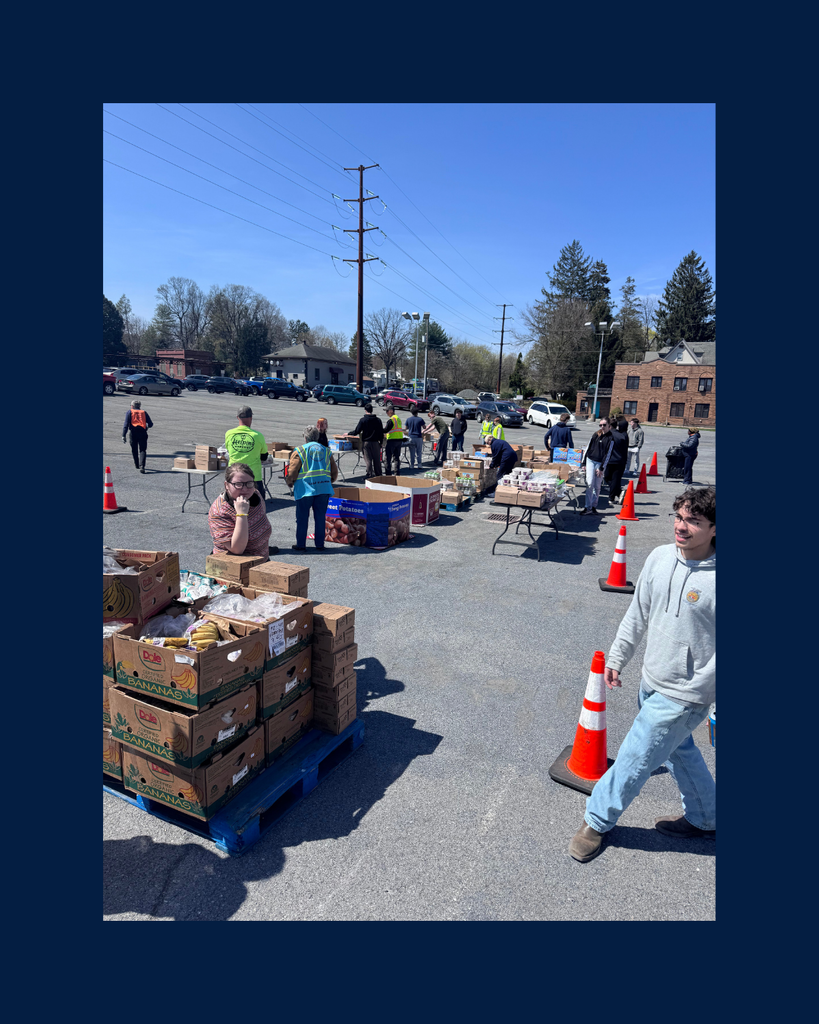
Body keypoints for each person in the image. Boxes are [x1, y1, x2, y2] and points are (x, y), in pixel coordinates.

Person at [568, 486, 716, 863]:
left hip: (686, 693)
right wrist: (618, 657)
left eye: (693, 522)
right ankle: (706, 817)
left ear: (715, 529)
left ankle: (596, 822)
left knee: (635, 756)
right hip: (651, 680)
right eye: (679, 517)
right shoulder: (660, 557)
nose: (681, 527)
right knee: (679, 752)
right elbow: (638, 613)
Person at [286, 425, 339, 551]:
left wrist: (290, 482)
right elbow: (334, 472)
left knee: (302, 518)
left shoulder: (300, 451)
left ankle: (301, 545)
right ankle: (320, 544)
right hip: (323, 489)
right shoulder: (326, 451)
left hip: (305, 490)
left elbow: (293, 471)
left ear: (305, 438)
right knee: (320, 518)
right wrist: (328, 481)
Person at [208, 462, 277, 556]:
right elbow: (237, 550)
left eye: (249, 483)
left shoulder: (255, 494)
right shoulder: (219, 512)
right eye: (238, 484)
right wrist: (241, 514)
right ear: (226, 485)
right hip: (233, 566)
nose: (244, 489)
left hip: (260, 560)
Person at [224, 406, 269, 498]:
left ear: (237, 417)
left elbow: (229, 451)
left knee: (233, 508)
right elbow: (264, 456)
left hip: (234, 477)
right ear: (251, 418)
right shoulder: (257, 435)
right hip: (253, 477)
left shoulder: (229, 433)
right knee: (257, 509)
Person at [579, 419, 613, 515]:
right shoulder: (596, 434)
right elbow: (588, 448)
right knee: (589, 483)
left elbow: (608, 454)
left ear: (609, 426)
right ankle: (587, 507)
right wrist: (584, 463)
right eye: (600, 425)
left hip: (600, 463)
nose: (602, 427)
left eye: (604, 425)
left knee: (597, 486)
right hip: (590, 460)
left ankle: (594, 505)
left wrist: (602, 468)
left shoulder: (611, 438)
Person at [346, 403, 384, 479]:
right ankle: (379, 475)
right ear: (372, 410)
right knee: (377, 459)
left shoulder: (363, 420)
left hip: (366, 442)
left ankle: (369, 474)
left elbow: (357, 431)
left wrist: (348, 433)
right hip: (376, 442)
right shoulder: (378, 420)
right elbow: (381, 432)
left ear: (365, 410)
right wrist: (381, 442)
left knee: (368, 459)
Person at [601, 417, 629, 505]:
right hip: (620, 461)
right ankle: (618, 492)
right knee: (615, 479)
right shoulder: (622, 436)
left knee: (608, 478)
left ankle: (613, 496)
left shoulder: (607, 435)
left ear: (609, 426)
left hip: (610, 460)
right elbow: (625, 450)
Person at [122, 400, 153, 473]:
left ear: (132, 406)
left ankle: (137, 464)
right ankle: (142, 466)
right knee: (142, 449)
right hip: (143, 432)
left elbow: (126, 425)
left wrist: (123, 435)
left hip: (133, 432)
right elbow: (151, 424)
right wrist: (146, 426)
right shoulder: (144, 412)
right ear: (139, 406)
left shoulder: (129, 412)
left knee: (134, 449)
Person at [383, 403, 405, 475]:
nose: (386, 413)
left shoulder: (391, 420)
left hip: (392, 440)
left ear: (391, 411)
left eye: (387, 411)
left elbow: (386, 430)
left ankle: (388, 474)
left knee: (387, 458)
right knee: (396, 458)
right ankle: (396, 473)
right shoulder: (398, 419)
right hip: (399, 440)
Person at [405, 404, 426, 469]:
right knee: (419, 451)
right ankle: (419, 464)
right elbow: (424, 427)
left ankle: (412, 465)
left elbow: (406, 428)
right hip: (418, 437)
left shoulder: (408, 419)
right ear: (417, 412)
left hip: (411, 437)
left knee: (412, 452)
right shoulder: (420, 419)